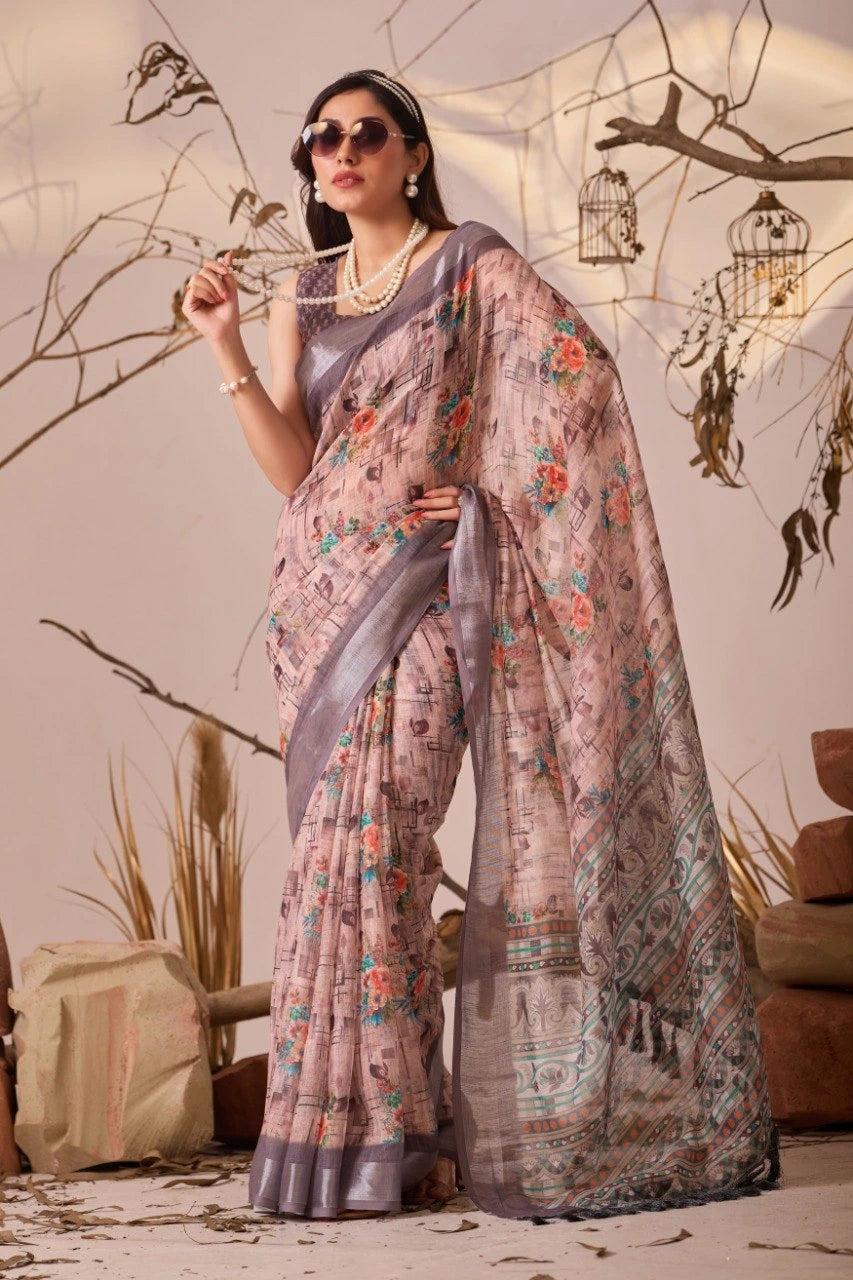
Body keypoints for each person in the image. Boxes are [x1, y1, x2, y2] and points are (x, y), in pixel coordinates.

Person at [181, 68, 779, 1224]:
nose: (339, 152)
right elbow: (295, 471)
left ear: (411, 155)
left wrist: (486, 502)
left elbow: (579, 394)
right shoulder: (299, 293)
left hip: (420, 601)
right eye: (321, 138)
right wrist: (225, 347)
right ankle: (377, 1136)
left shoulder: (470, 268)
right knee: (329, 869)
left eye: (366, 134)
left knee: (383, 850)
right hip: (317, 605)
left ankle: (384, 1134)